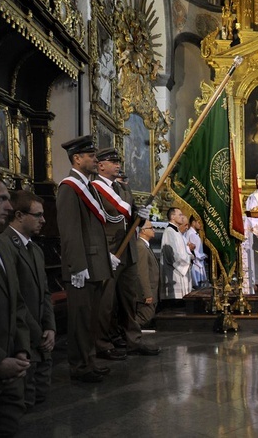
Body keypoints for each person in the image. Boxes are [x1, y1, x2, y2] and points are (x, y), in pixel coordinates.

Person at [56, 135, 114, 383]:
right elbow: (70, 231)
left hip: (95, 264)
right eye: (91, 156)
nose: (95, 159)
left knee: (90, 318)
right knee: (80, 320)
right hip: (83, 267)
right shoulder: (69, 188)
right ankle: (79, 366)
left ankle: (89, 361)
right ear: (77, 159)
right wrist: (77, 266)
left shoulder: (87, 186)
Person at [92, 148, 158, 358]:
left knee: (128, 299)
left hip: (128, 250)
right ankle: (103, 343)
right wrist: (103, 252)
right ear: (101, 165)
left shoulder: (122, 190)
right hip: (110, 251)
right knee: (106, 301)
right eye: (112, 161)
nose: (117, 164)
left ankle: (133, 340)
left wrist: (141, 214)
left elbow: (131, 215)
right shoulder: (94, 189)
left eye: (118, 161)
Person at [0, 191, 54, 409]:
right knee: (24, 406)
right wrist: (37, 331)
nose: (44, 220)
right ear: (19, 215)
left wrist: (50, 327)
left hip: (41, 339)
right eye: (38, 215)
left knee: (39, 401)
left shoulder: (36, 249)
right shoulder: (5, 246)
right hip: (23, 342)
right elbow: (16, 298)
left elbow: (45, 293)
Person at [0, 177, 31, 435]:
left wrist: (21, 349)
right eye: (1, 199)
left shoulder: (4, 248)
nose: (9, 207)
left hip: (12, 369)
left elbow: (18, 302)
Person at [161, 207, 192, 300]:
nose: (182, 217)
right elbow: (172, 255)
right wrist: (188, 260)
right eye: (180, 215)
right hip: (175, 274)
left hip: (180, 272)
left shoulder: (177, 231)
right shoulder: (169, 231)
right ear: (172, 217)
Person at [135, 222, 159, 328]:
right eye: (151, 228)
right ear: (143, 230)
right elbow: (142, 272)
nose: (154, 230)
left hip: (152, 290)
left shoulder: (145, 246)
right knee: (144, 316)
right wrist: (147, 293)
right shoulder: (140, 246)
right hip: (146, 292)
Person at [185, 216, 208, 288]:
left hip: (198, 263)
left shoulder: (194, 234)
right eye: (199, 222)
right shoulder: (191, 234)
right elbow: (192, 251)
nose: (201, 225)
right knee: (196, 287)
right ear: (193, 223)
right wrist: (203, 255)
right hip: (196, 264)